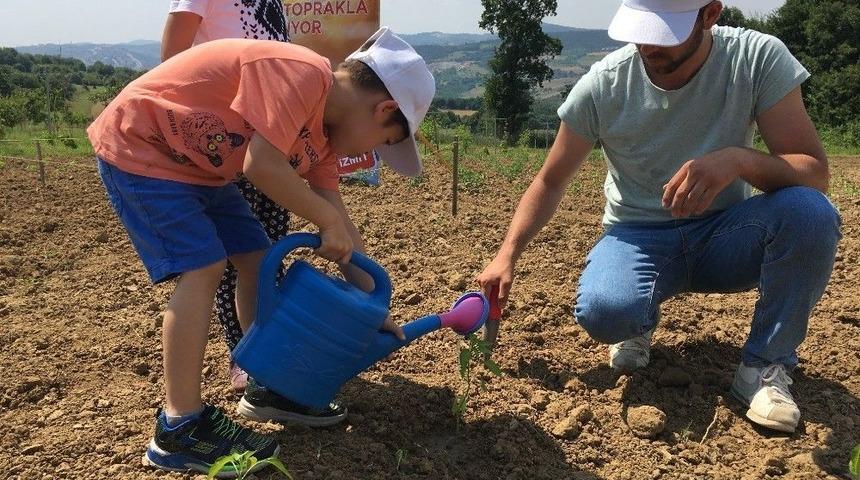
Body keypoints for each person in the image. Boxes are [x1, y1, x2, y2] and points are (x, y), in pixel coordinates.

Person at [477, 0, 840, 434]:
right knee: (606, 311)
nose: (648, 46)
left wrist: (740, 160)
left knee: (811, 213)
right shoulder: (604, 84)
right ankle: (638, 319)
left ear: (710, 14)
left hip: (728, 234)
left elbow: (813, 172)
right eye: (640, 29)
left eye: (665, 33)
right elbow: (550, 181)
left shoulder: (755, 57)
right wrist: (507, 254)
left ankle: (764, 367)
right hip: (639, 236)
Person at [88, 27, 434, 476]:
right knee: (204, 267)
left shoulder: (324, 142)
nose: (373, 154)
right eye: (385, 143)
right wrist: (325, 223)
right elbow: (261, 164)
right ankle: (178, 427)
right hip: (143, 146)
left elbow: (338, 217)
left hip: (202, 172)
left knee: (255, 256)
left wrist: (374, 301)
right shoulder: (302, 72)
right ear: (384, 109)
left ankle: (264, 379)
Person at [161, 0, 293, 393]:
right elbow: (172, 61)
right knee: (229, 258)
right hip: (221, 140)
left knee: (265, 251)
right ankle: (244, 355)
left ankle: (269, 349)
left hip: (267, 138)